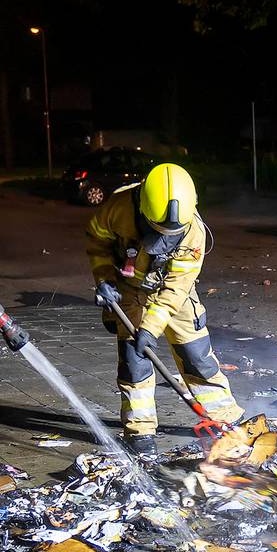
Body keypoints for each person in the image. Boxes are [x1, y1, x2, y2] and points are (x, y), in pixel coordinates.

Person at [86, 163, 244, 457]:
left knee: (196, 355)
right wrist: (104, 280)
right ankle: (140, 433)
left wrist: (151, 328)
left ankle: (225, 419)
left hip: (175, 294)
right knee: (134, 363)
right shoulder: (118, 208)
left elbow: (177, 287)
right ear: (143, 210)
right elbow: (97, 242)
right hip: (131, 291)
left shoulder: (193, 231)